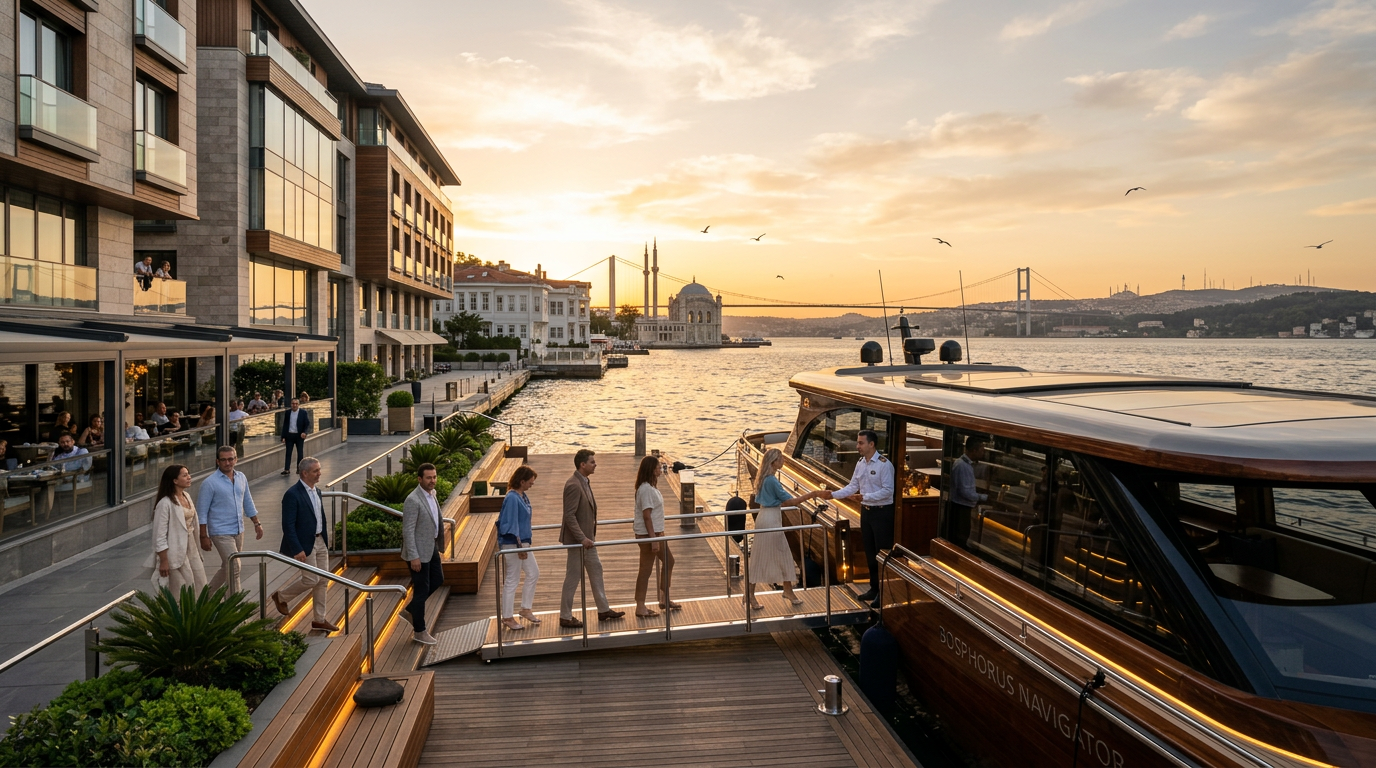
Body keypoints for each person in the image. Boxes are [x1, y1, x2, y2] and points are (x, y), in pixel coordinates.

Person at [822, 429, 895, 607]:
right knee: (869, 552)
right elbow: (853, 485)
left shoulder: (884, 465)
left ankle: (884, 592)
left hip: (882, 513)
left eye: (861, 443)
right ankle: (873, 588)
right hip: (867, 513)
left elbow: (888, 491)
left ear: (872, 444)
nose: (857, 446)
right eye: (857, 443)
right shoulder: (861, 463)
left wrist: (864, 498)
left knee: (882, 554)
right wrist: (833, 495)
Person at [748, 448, 826, 610]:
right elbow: (789, 502)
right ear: (773, 462)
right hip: (770, 520)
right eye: (781, 458)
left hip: (767, 517)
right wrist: (813, 494)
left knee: (771, 555)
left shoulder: (764, 478)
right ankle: (756, 594)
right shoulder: (771, 480)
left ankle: (786, 590)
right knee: (773, 555)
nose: (783, 461)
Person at [270, 457, 339, 631]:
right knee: (311, 579)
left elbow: (319, 517)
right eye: (315, 471)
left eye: (319, 469)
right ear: (304, 473)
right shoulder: (292, 494)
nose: (319, 473)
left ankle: (319, 619)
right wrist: (297, 548)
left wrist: (326, 538)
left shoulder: (317, 491)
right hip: (305, 544)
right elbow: (288, 525)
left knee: (323, 580)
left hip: (320, 541)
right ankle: (281, 596)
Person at [558, 449, 622, 628]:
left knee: (597, 570)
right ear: (582, 464)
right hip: (580, 542)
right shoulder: (573, 484)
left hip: (588, 541)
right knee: (573, 577)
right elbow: (569, 515)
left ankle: (603, 610)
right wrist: (582, 538)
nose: (595, 464)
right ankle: (565, 616)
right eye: (592, 462)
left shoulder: (584, 481)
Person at [197, 446, 263, 593]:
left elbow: (248, 502)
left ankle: (205, 598)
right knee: (234, 567)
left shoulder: (241, 477)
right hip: (220, 531)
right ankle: (235, 608)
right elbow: (201, 512)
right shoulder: (209, 483)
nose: (228, 463)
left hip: (238, 530)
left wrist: (256, 523)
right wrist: (203, 536)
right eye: (224, 460)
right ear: (218, 461)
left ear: (236, 459)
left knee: (227, 567)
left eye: (231, 459)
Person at [402, 463, 445, 645]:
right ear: (420, 479)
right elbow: (408, 531)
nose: (432, 481)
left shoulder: (432, 494)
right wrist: (414, 556)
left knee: (438, 580)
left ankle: (412, 609)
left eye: (434, 477)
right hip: (418, 553)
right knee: (421, 591)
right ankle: (419, 631)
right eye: (428, 477)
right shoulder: (413, 500)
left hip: (431, 548)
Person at [631, 457, 677, 617]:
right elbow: (646, 516)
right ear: (652, 469)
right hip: (649, 535)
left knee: (669, 561)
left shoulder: (651, 487)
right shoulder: (645, 489)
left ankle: (664, 598)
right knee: (645, 569)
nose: (661, 469)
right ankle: (640, 606)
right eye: (658, 466)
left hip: (657, 533)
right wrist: (653, 540)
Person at [151, 465, 207, 593]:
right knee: (183, 589)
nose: (189, 477)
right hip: (175, 549)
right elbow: (159, 535)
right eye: (185, 475)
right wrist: (164, 561)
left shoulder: (186, 495)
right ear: (175, 480)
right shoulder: (165, 504)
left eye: (188, 474)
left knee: (200, 582)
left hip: (191, 545)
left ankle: (199, 611)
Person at [497, 465, 540, 631]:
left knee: (533, 573)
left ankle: (525, 608)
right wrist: (519, 545)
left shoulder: (523, 496)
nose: (532, 484)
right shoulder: (512, 498)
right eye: (530, 482)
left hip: (524, 542)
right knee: (512, 579)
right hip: (514, 543)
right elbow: (510, 522)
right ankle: (507, 617)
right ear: (522, 481)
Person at [948, 436, 988, 551]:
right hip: (961, 508)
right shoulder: (963, 466)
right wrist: (983, 497)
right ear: (974, 450)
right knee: (960, 538)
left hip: (961, 507)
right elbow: (965, 491)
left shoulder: (962, 463)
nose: (983, 452)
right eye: (981, 450)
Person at [278, 398, 311, 476]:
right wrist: (283, 436)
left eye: (296, 404)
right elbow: (285, 425)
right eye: (293, 403)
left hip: (299, 435)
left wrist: (305, 432)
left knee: (300, 453)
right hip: (290, 435)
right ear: (291, 404)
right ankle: (287, 469)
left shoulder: (303, 413)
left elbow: (307, 424)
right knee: (288, 452)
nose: (294, 405)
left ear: (298, 404)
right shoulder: (288, 413)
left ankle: (299, 469)